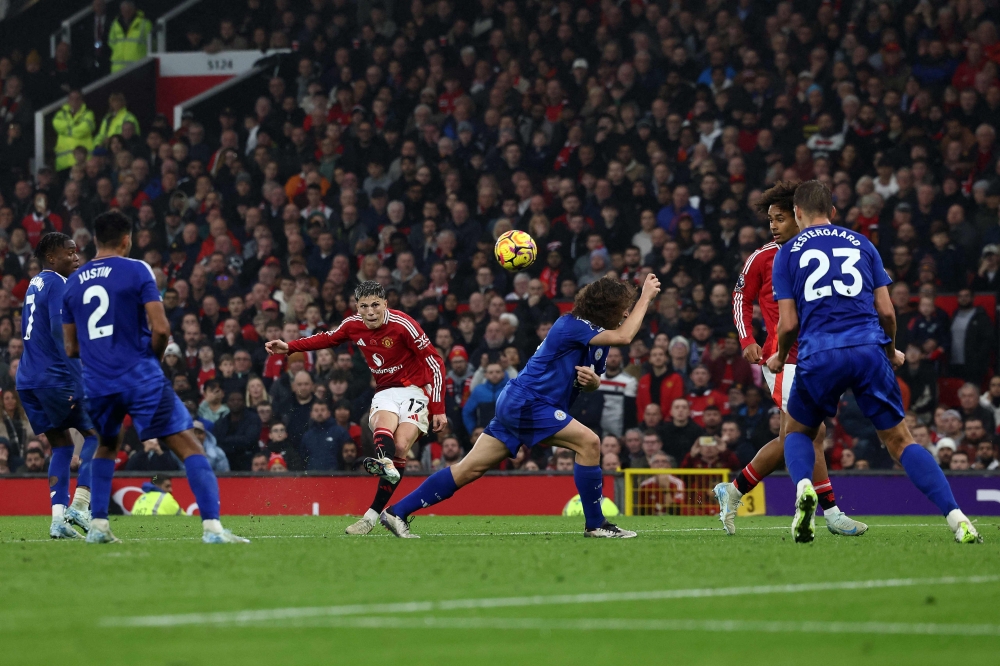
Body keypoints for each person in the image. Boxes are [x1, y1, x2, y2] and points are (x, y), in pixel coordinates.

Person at [767, 181, 980, 544]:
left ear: (798, 213)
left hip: (819, 352)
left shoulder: (786, 254)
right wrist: (890, 350)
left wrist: (778, 355)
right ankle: (957, 517)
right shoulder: (862, 243)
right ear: (833, 212)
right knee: (900, 440)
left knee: (798, 431)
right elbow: (887, 311)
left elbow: (788, 324)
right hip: (868, 348)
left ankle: (805, 488)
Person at [380, 274, 661, 538]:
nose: (627, 313)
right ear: (606, 308)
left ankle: (396, 512)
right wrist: (646, 297)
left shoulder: (599, 339)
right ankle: (596, 524)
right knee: (590, 443)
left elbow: (590, 379)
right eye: (625, 308)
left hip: (520, 403)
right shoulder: (570, 324)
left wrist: (592, 383)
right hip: (529, 402)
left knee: (468, 469)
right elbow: (626, 336)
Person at [62, 211, 246, 544]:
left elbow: (71, 346)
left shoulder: (73, 282)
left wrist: (101, 355)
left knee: (106, 446)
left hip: (98, 383)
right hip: (139, 376)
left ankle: (99, 527)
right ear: (126, 239)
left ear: (95, 239)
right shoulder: (136, 269)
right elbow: (161, 329)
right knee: (190, 445)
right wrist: (151, 359)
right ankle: (213, 529)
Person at [719, 181, 864, 537]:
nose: (773, 226)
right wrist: (747, 339)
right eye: (770, 219)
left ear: (798, 215)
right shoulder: (762, 257)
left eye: (780, 218)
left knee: (793, 438)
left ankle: (733, 490)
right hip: (782, 361)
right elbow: (740, 299)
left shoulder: (818, 252)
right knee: (810, 434)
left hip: (817, 357)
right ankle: (830, 512)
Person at [265, 281, 446, 535]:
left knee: (402, 447)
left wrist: (439, 407)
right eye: (364, 306)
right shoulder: (352, 325)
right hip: (385, 391)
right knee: (385, 429)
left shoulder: (403, 324)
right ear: (357, 307)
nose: (370, 311)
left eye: (375, 305)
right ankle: (383, 477)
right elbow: (327, 339)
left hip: (416, 391)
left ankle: (374, 511)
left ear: (385, 304)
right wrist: (290, 347)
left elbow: (435, 362)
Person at [15, 233, 99, 539]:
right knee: (99, 434)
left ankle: (58, 520)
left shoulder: (35, 283)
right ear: (52, 257)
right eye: (70, 253)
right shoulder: (58, 284)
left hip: (28, 379)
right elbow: (58, 330)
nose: (76, 258)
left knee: (62, 445)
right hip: (53, 378)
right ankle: (81, 504)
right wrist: (79, 382)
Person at [52, 90, 95, 173]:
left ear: (82, 101)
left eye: (77, 99)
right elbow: (57, 125)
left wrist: (67, 130)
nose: (74, 101)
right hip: (64, 163)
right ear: (68, 100)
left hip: (84, 163)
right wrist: (76, 127)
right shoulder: (60, 114)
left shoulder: (88, 113)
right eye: (72, 98)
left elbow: (84, 130)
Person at [108, 1, 151, 73]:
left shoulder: (145, 24)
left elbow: (152, 44)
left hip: (137, 68)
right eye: (124, 10)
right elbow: (111, 42)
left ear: (134, 10)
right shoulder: (115, 24)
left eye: (128, 10)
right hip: (117, 69)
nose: (126, 12)